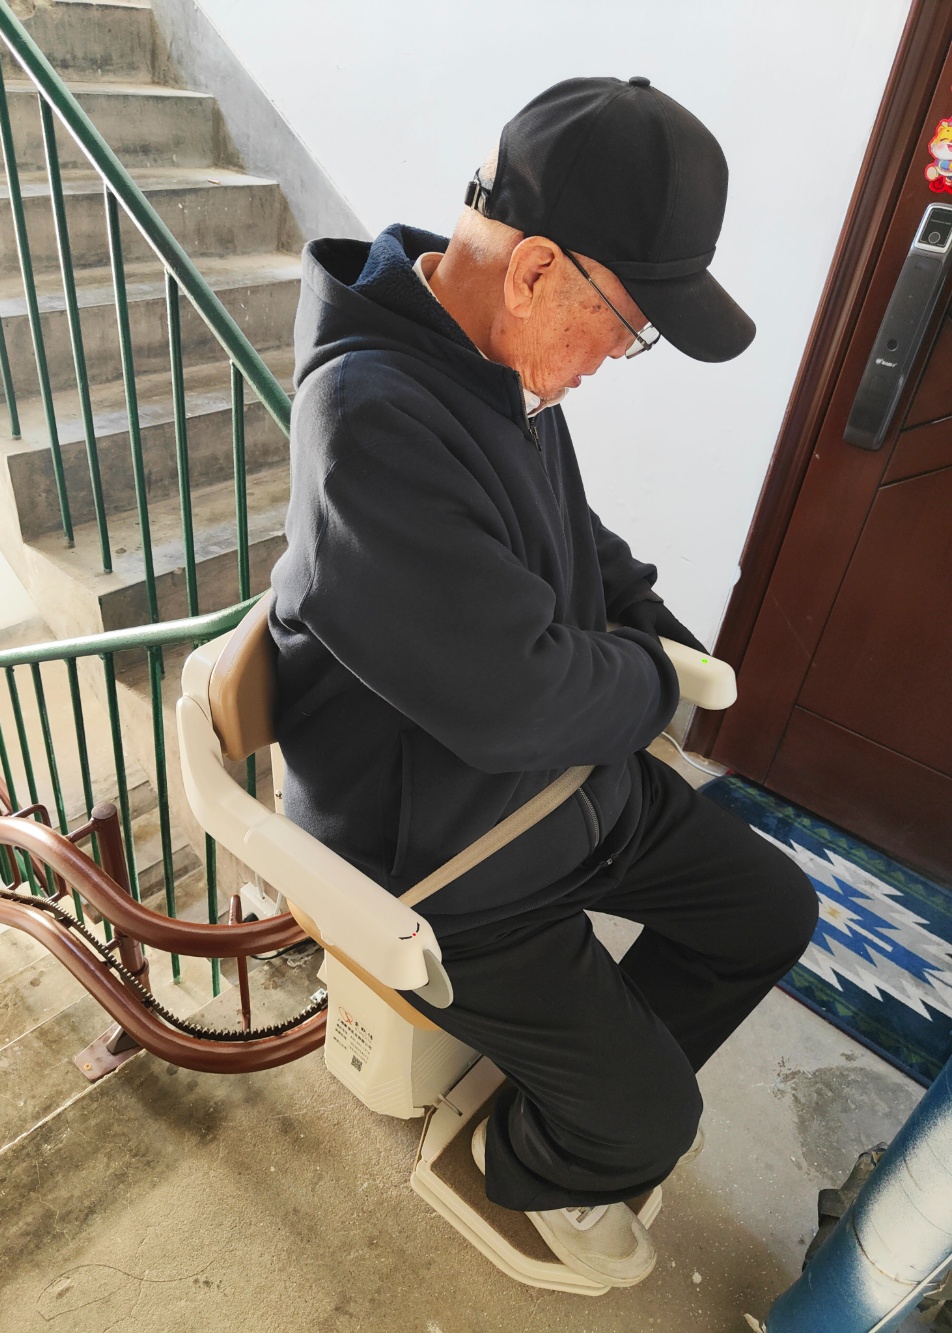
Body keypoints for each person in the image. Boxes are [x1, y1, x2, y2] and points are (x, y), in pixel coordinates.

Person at [268, 76, 819, 1288]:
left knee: (772, 912)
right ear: (533, 270)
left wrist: (649, 620)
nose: (619, 357)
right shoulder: (370, 420)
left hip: (554, 788)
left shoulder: (490, 360)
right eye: (628, 325)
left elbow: (577, 534)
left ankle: (592, 1088)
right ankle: (536, 1157)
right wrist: (651, 681)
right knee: (655, 1119)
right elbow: (515, 698)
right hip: (444, 857)